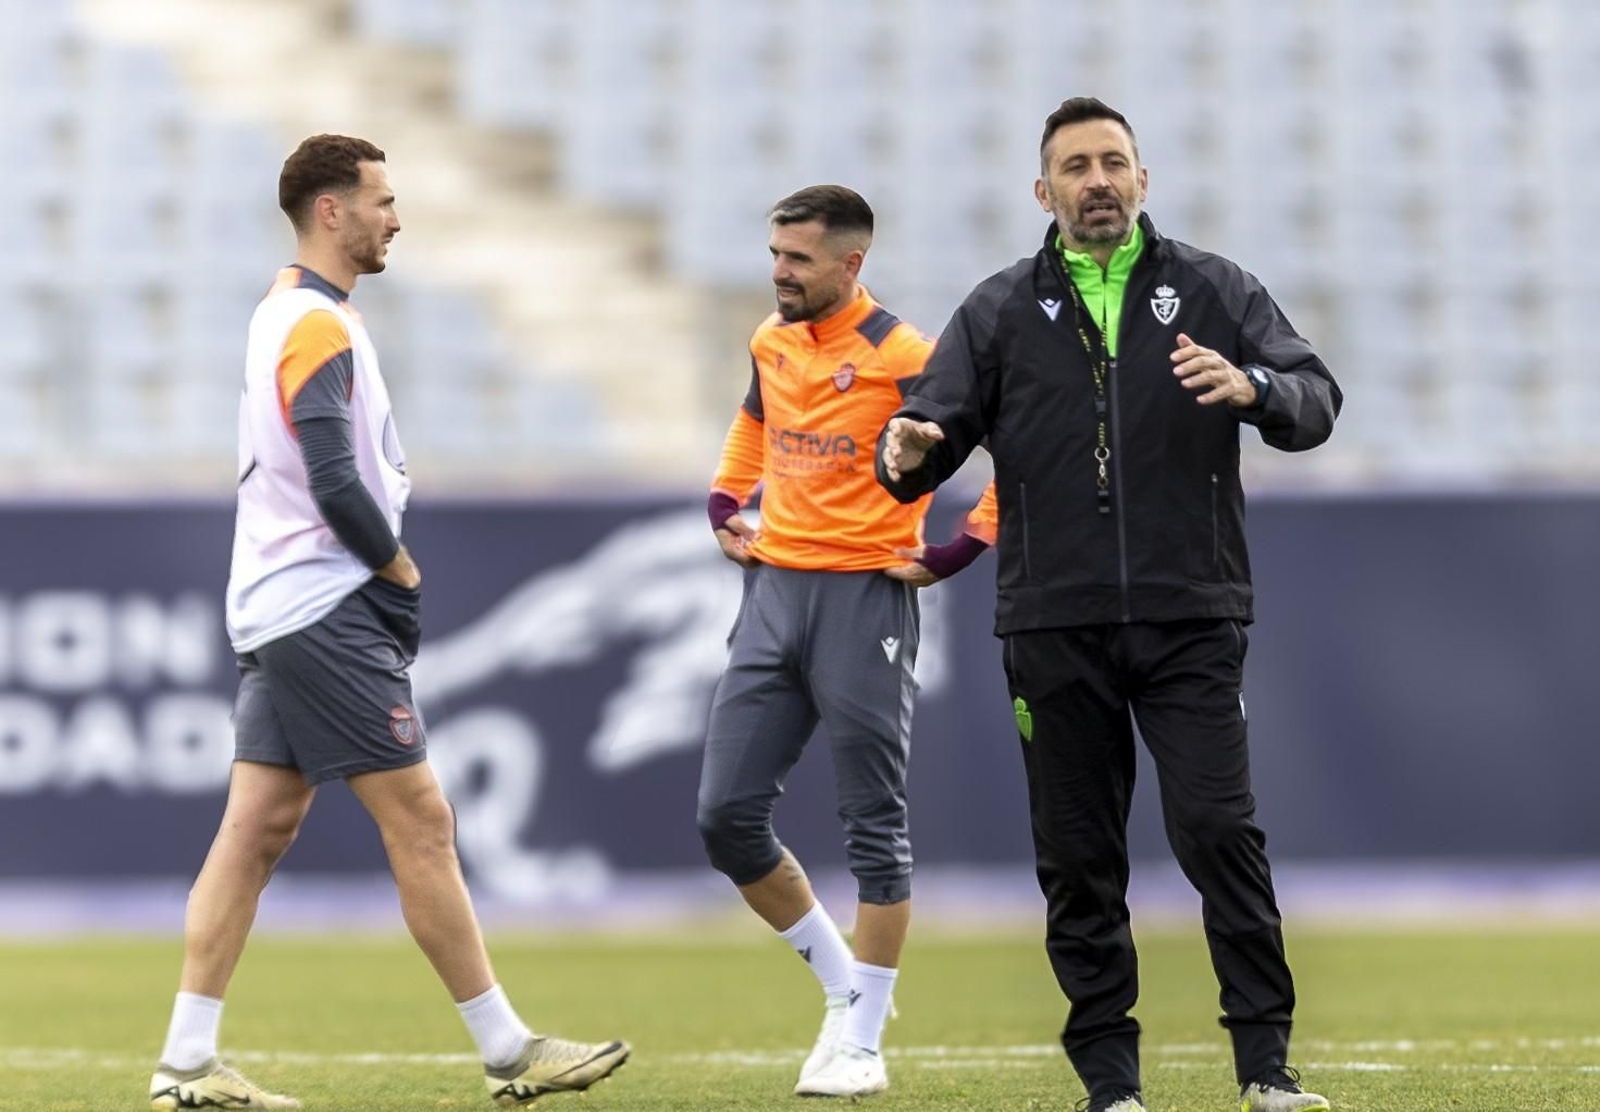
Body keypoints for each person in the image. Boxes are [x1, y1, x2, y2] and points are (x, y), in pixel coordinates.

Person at [876, 98, 1341, 1112]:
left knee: (1220, 831)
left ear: (1143, 178)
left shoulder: (1215, 289)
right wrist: (903, 450)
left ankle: (1265, 1066)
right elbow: (925, 431)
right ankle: (1110, 1083)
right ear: (1042, 192)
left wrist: (1256, 384)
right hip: (1051, 621)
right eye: (1075, 166)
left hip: (1190, 614)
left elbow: (1316, 400)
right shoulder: (999, 307)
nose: (1097, 179)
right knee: (1078, 857)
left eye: (1113, 162)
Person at [148, 135, 628, 1111]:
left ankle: (186, 1063)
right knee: (421, 817)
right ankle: (507, 1047)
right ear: (331, 210)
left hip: (281, 603)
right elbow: (331, 476)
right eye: (381, 199)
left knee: (255, 829)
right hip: (323, 604)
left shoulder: (284, 315)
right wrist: (397, 566)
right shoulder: (315, 326)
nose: (394, 217)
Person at [697, 184, 995, 1099]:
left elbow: (1010, 452)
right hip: (772, 593)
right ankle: (845, 991)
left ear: (851, 263)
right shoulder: (771, 339)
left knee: (874, 824)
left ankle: (863, 1041)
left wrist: (958, 549)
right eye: (776, 255)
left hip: (865, 600)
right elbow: (755, 421)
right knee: (726, 819)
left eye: (798, 259)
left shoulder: (907, 354)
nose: (779, 273)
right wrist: (724, 498)